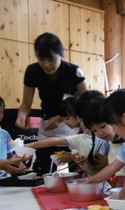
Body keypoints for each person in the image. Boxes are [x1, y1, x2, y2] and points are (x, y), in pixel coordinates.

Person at [15, 32, 89, 175]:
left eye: (51, 59)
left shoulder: (73, 71)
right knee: (45, 169)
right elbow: (25, 103)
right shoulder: (32, 71)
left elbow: (88, 100)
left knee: (76, 167)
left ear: (61, 54)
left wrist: (62, 117)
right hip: (48, 124)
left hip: (72, 124)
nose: (46, 64)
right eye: (41, 59)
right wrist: (21, 116)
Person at [0, 97, 28, 175]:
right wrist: (7, 165)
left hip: (4, 176)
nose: (0, 115)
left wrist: (20, 164)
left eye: (1, 112)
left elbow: (10, 153)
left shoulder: (5, 134)